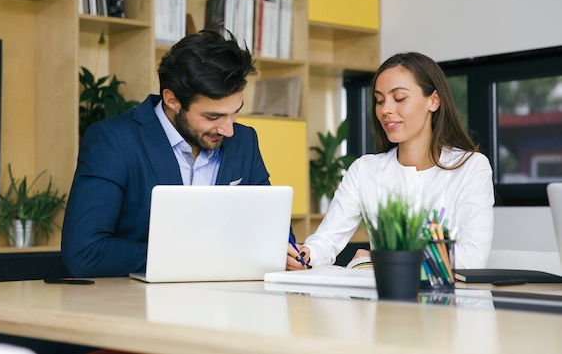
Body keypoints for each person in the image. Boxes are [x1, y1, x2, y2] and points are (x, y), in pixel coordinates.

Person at [62, 29, 272, 277]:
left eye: (235, 112)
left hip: (228, 304)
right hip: (137, 306)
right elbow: (84, 252)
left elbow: (271, 230)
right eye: (213, 116)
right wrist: (193, 257)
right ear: (172, 99)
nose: (228, 130)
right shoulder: (114, 141)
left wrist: (287, 250)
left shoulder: (244, 141)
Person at [288, 52, 494, 271]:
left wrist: (377, 258)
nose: (385, 109)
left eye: (399, 98)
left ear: (433, 100)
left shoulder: (471, 167)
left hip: (450, 302)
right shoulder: (364, 170)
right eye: (379, 100)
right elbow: (327, 241)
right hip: (386, 301)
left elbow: (472, 258)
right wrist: (306, 254)